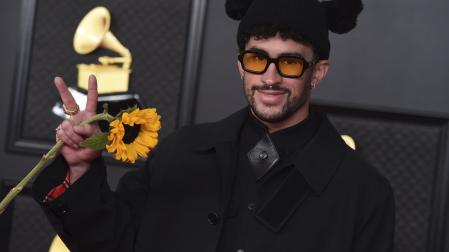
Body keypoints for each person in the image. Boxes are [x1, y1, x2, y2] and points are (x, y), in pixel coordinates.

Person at [33, 0, 395, 251]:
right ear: (241, 65)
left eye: (289, 63)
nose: (270, 77)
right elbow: (113, 242)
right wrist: (80, 169)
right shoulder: (180, 151)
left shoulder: (363, 193)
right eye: (257, 59)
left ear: (317, 71)